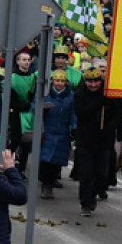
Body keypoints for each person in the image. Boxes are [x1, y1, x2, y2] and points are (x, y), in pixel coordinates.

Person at [73, 63, 122, 216]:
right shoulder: (80, 95)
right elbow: (82, 113)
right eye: (90, 81)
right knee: (86, 174)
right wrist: (100, 101)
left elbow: (118, 115)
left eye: (96, 82)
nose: (93, 85)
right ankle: (86, 203)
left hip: (104, 141)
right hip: (85, 140)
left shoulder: (110, 95)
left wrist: (111, 128)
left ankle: (94, 193)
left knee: (101, 174)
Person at [36, 69, 76, 199]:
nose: (59, 83)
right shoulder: (45, 93)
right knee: (45, 160)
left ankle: (50, 184)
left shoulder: (71, 96)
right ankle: (45, 185)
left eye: (62, 81)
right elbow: (34, 106)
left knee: (56, 162)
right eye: (57, 80)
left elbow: (73, 113)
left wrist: (74, 127)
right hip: (47, 131)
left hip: (62, 133)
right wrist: (42, 108)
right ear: (53, 81)